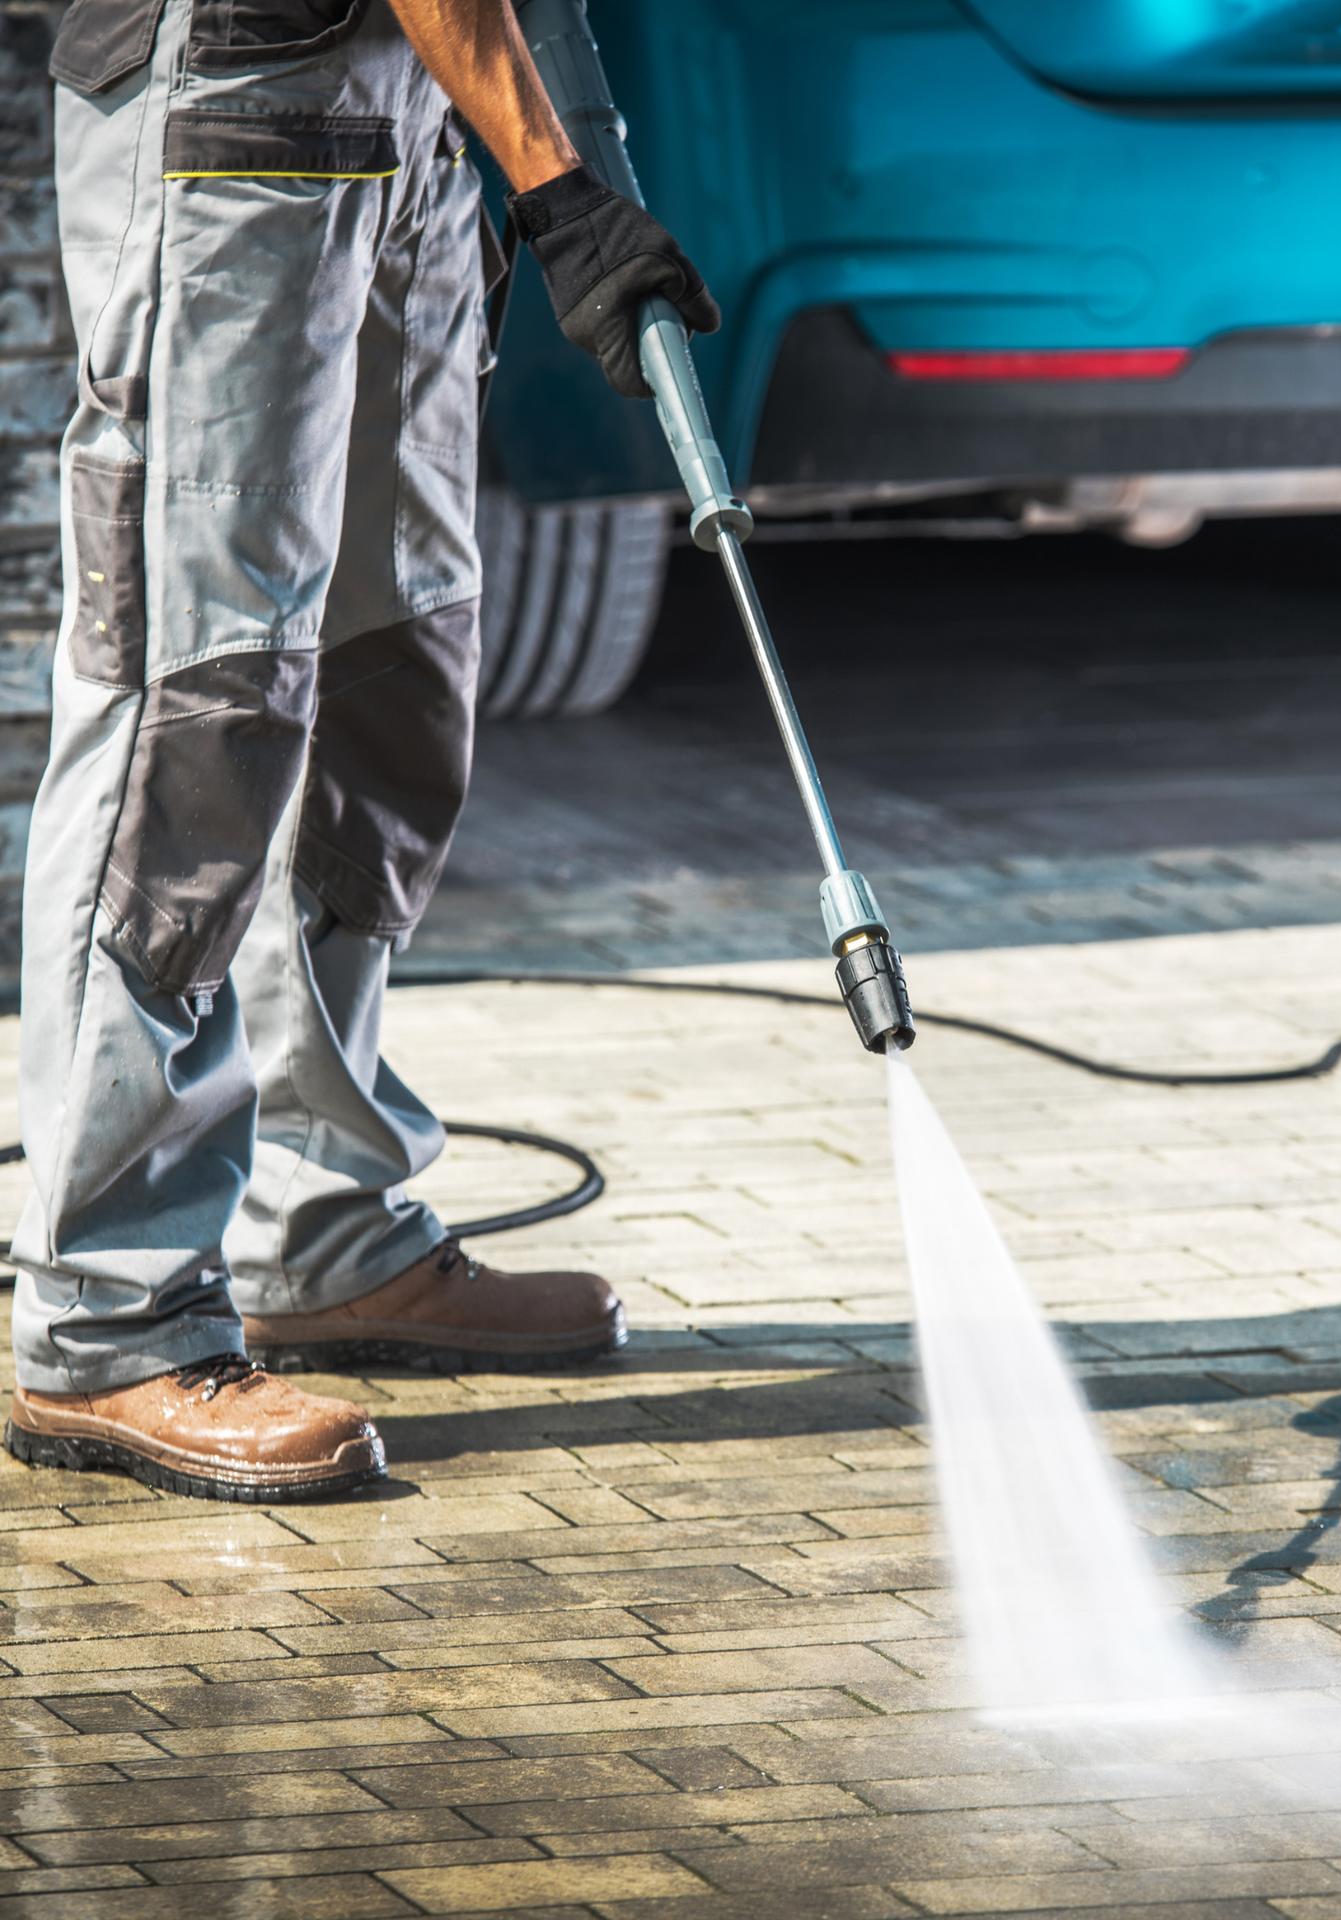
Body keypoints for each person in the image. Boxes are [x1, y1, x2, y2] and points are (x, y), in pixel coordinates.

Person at [6, 0, 717, 1500]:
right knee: (197, 706)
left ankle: (321, 1224)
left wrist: (547, 146)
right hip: (232, 105)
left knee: (392, 676)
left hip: (406, 122)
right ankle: (108, 1313)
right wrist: (556, 177)